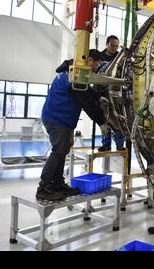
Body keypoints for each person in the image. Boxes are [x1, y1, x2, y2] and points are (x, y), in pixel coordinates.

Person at [37, 50, 108, 201]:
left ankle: (57, 183)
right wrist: (102, 122)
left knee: (62, 151)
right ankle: (43, 188)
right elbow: (86, 102)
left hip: (59, 119)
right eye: (98, 63)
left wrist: (100, 97)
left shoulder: (70, 71)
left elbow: (87, 92)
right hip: (57, 119)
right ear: (89, 60)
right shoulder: (73, 76)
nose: (97, 67)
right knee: (59, 151)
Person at [98, 35, 125, 151]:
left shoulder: (119, 57)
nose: (115, 48)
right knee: (105, 119)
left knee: (118, 119)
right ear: (107, 44)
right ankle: (106, 144)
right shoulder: (99, 57)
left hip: (116, 93)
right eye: (112, 45)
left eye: (116, 45)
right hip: (103, 93)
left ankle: (120, 145)